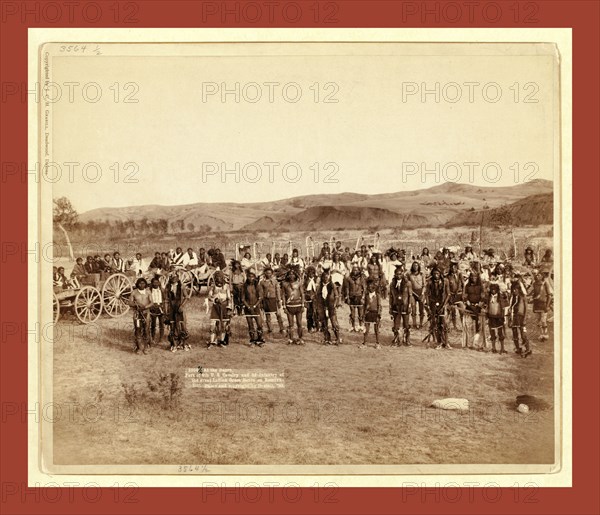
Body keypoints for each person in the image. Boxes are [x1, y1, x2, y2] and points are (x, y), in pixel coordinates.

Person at [424, 267, 450, 349]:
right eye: (434, 273)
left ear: (440, 274)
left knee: (444, 324)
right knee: (435, 324)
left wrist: (444, 305)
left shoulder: (445, 281)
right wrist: (428, 305)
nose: (436, 275)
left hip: (442, 303)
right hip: (433, 304)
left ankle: (446, 342)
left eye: (438, 274)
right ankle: (439, 342)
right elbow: (427, 294)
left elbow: (448, 294)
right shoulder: (430, 282)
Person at [314, 270, 341, 345]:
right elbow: (317, 296)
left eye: (327, 277)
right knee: (324, 323)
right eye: (324, 277)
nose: (326, 278)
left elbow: (336, 296)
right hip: (322, 306)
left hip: (331, 306)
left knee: (334, 323)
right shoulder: (320, 286)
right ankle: (327, 338)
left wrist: (335, 304)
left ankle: (337, 338)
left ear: (329, 278)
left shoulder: (332, 286)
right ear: (322, 278)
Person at [389, 265, 412, 347]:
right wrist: (390, 307)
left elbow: (410, 296)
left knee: (406, 324)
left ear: (402, 274)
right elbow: (391, 297)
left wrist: (409, 306)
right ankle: (396, 339)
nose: (398, 276)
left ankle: (407, 339)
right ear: (395, 275)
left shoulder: (407, 283)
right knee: (396, 324)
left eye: (400, 274)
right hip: (396, 306)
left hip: (405, 306)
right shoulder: (392, 284)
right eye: (397, 274)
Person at [165, 273, 190, 352]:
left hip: (180, 309)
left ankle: (184, 344)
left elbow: (186, 297)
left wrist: (182, 306)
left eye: (175, 277)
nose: (174, 279)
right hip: (171, 309)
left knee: (182, 326)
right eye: (172, 277)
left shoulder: (181, 287)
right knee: (172, 327)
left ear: (178, 278)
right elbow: (166, 300)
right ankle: (174, 344)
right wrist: (166, 311)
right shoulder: (168, 287)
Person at [129, 277, 153, 354]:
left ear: (145, 284)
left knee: (146, 330)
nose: (141, 285)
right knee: (138, 330)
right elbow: (130, 302)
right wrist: (136, 305)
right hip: (137, 313)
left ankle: (146, 347)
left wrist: (145, 307)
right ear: (137, 284)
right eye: (140, 283)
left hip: (146, 313)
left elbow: (152, 302)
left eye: (143, 283)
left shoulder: (148, 292)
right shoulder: (134, 292)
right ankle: (139, 348)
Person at [207, 271, 232, 348]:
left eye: (220, 277)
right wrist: (215, 300)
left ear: (223, 278)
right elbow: (209, 297)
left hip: (224, 307)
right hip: (215, 307)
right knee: (213, 325)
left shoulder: (226, 286)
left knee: (223, 325)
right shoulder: (213, 286)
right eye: (217, 277)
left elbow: (229, 298)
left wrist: (230, 308)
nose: (219, 279)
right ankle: (212, 342)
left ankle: (221, 341)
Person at [281, 269, 305, 345]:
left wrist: (302, 305)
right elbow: (283, 296)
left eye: (293, 274)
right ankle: (291, 339)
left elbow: (302, 294)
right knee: (291, 324)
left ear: (295, 275)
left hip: (298, 305)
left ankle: (300, 338)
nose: (291, 276)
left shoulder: (299, 283)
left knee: (299, 323)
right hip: (289, 306)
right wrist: (284, 307)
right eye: (290, 274)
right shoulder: (284, 284)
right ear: (287, 276)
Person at [242, 270, 265, 346]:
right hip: (247, 308)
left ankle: (260, 340)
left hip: (256, 308)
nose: (250, 278)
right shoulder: (244, 286)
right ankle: (252, 340)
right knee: (250, 325)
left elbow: (260, 297)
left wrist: (254, 306)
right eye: (249, 276)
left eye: (252, 277)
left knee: (259, 324)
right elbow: (243, 299)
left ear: (255, 278)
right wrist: (248, 307)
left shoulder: (257, 286)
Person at [509, 279, 531, 357]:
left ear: (519, 289)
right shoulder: (512, 298)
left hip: (521, 317)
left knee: (523, 334)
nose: (515, 290)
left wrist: (524, 319)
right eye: (513, 289)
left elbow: (526, 309)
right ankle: (518, 348)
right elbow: (510, 308)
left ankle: (528, 349)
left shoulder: (523, 297)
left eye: (516, 289)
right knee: (514, 333)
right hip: (513, 317)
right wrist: (510, 318)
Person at [259, 268, 285, 334]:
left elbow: (277, 291)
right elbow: (261, 292)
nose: (269, 274)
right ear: (265, 273)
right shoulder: (262, 282)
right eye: (267, 273)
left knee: (278, 314)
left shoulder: (275, 281)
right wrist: (261, 302)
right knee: (267, 315)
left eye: (270, 273)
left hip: (274, 299)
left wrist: (279, 300)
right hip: (266, 300)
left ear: (272, 274)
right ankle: (270, 329)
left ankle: (282, 328)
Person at [463, 271, 484, 349]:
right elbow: (465, 296)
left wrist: (479, 305)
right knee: (468, 326)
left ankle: (477, 344)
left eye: (475, 277)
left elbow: (483, 296)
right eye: (472, 277)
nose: (473, 278)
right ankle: (468, 344)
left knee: (478, 326)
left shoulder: (481, 286)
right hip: (469, 308)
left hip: (478, 308)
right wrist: (468, 303)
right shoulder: (467, 286)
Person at [485, 282, 508, 354]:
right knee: (492, 333)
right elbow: (486, 306)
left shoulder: (500, 297)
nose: (493, 291)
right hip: (491, 317)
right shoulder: (488, 297)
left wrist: (504, 317)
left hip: (499, 317)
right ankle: (493, 348)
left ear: (497, 290)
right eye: (492, 289)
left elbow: (505, 307)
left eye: (494, 289)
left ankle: (502, 348)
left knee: (500, 333)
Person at [343, 263, 366, 332]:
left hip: (359, 296)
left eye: (356, 270)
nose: (355, 271)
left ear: (359, 271)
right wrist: (347, 297)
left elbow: (364, 288)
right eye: (354, 270)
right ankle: (353, 326)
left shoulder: (362, 278)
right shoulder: (349, 278)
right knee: (352, 314)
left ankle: (361, 326)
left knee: (360, 313)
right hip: (351, 296)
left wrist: (363, 297)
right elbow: (347, 288)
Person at [532, 271, 553, 341]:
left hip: (543, 305)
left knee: (543, 321)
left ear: (542, 276)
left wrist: (547, 306)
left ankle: (545, 334)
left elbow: (549, 296)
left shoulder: (545, 284)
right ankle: (540, 335)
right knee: (538, 321)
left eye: (539, 275)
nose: (537, 276)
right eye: (537, 275)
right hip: (536, 304)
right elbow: (532, 293)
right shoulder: (534, 284)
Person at [361, 279, 382, 349]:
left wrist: (379, 314)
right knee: (366, 329)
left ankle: (377, 343)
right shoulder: (366, 295)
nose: (370, 288)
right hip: (368, 313)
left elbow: (379, 305)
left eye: (371, 286)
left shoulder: (377, 295)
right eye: (369, 286)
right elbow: (364, 306)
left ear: (374, 287)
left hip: (375, 313)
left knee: (376, 329)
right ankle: (365, 343)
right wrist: (363, 314)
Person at [149, 277, 167, 347]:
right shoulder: (150, 291)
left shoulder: (161, 290)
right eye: (154, 283)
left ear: (159, 283)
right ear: (152, 283)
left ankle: (161, 338)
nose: (156, 284)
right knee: (153, 324)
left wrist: (164, 307)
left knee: (161, 324)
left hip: (161, 308)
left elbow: (165, 299)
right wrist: (152, 306)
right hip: (153, 308)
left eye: (157, 282)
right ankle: (153, 337)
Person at [408, 261, 426, 329]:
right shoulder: (410, 275)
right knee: (413, 309)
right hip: (413, 293)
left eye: (416, 265)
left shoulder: (422, 274)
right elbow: (408, 283)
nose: (415, 267)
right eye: (414, 265)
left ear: (418, 266)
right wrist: (410, 292)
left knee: (421, 309)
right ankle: (414, 324)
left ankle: (421, 324)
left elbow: (424, 285)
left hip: (420, 292)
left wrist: (422, 293)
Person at [446, 262, 462, 331]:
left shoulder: (459, 275)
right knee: (452, 311)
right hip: (451, 295)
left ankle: (463, 326)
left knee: (462, 311)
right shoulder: (448, 276)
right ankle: (453, 326)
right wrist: (449, 293)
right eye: (452, 267)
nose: (453, 269)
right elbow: (447, 286)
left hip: (459, 295)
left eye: (455, 267)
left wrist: (462, 293)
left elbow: (463, 284)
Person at [303, 266, 319, 333]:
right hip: (308, 298)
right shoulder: (306, 280)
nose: (311, 274)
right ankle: (310, 326)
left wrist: (315, 295)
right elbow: (304, 290)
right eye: (310, 273)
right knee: (309, 313)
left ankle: (317, 326)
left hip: (316, 298)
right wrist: (307, 296)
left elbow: (318, 289)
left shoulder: (317, 279)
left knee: (316, 312)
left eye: (312, 273)